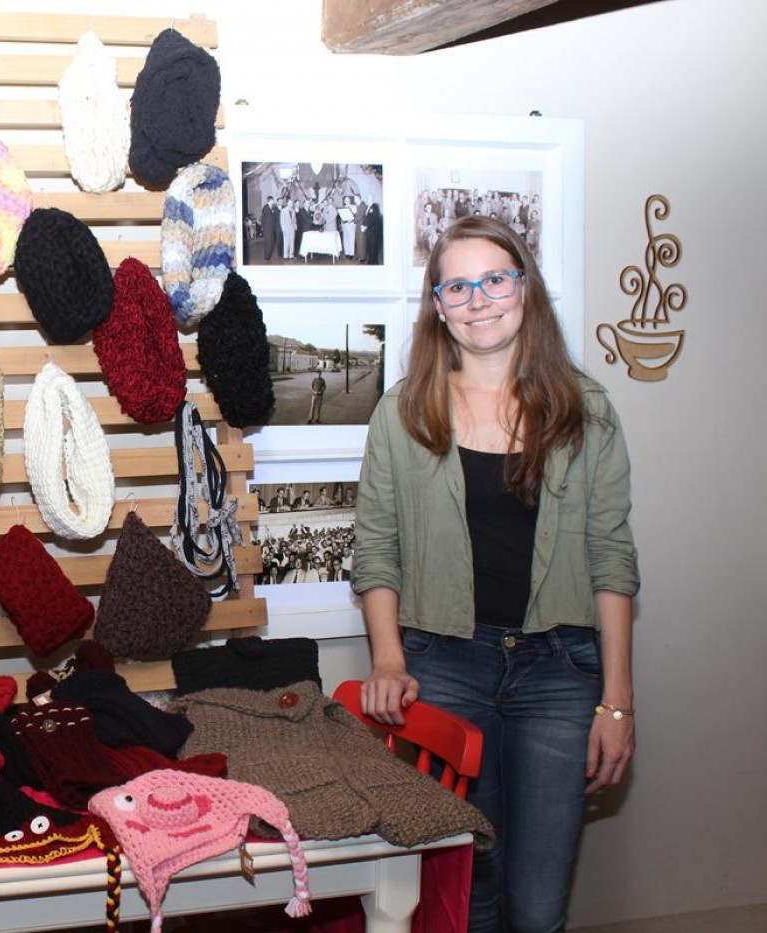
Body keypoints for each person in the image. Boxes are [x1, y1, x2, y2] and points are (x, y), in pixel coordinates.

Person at [351, 216, 639, 933]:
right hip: (444, 666)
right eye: (457, 286)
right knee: (465, 897)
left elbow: (611, 557)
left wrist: (618, 702)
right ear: (438, 305)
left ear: (525, 288)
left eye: (494, 279)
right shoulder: (402, 414)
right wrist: (387, 659)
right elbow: (377, 547)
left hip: (560, 672)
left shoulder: (586, 410)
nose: (477, 299)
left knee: (538, 908)